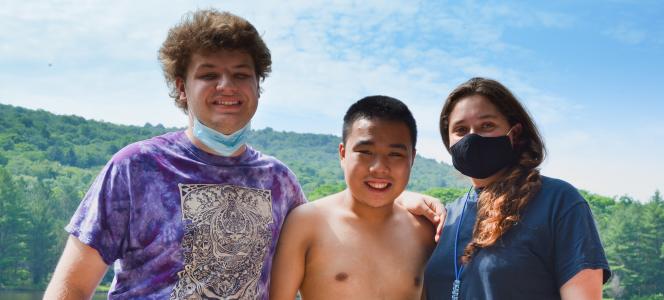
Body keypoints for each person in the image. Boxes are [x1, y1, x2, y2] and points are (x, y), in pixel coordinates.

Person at [43, 9, 445, 300]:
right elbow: (73, 286)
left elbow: (345, 221)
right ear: (182, 88)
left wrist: (399, 196)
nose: (226, 85)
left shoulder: (278, 180)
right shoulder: (136, 167)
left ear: (257, 86)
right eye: (208, 74)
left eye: (240, 74)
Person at [424, 77, 610, 300]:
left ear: (514, 133)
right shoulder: (447, 218)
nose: (472, 137)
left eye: (487, 125)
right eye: (461, 130)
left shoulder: (558, 202)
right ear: (449, 142)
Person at [270, 96, 436, 299]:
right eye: (365, 152)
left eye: (395, 154)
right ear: (343, 154)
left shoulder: (425, 231)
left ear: (412, 159)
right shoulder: (306, 222)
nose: (379, 168)